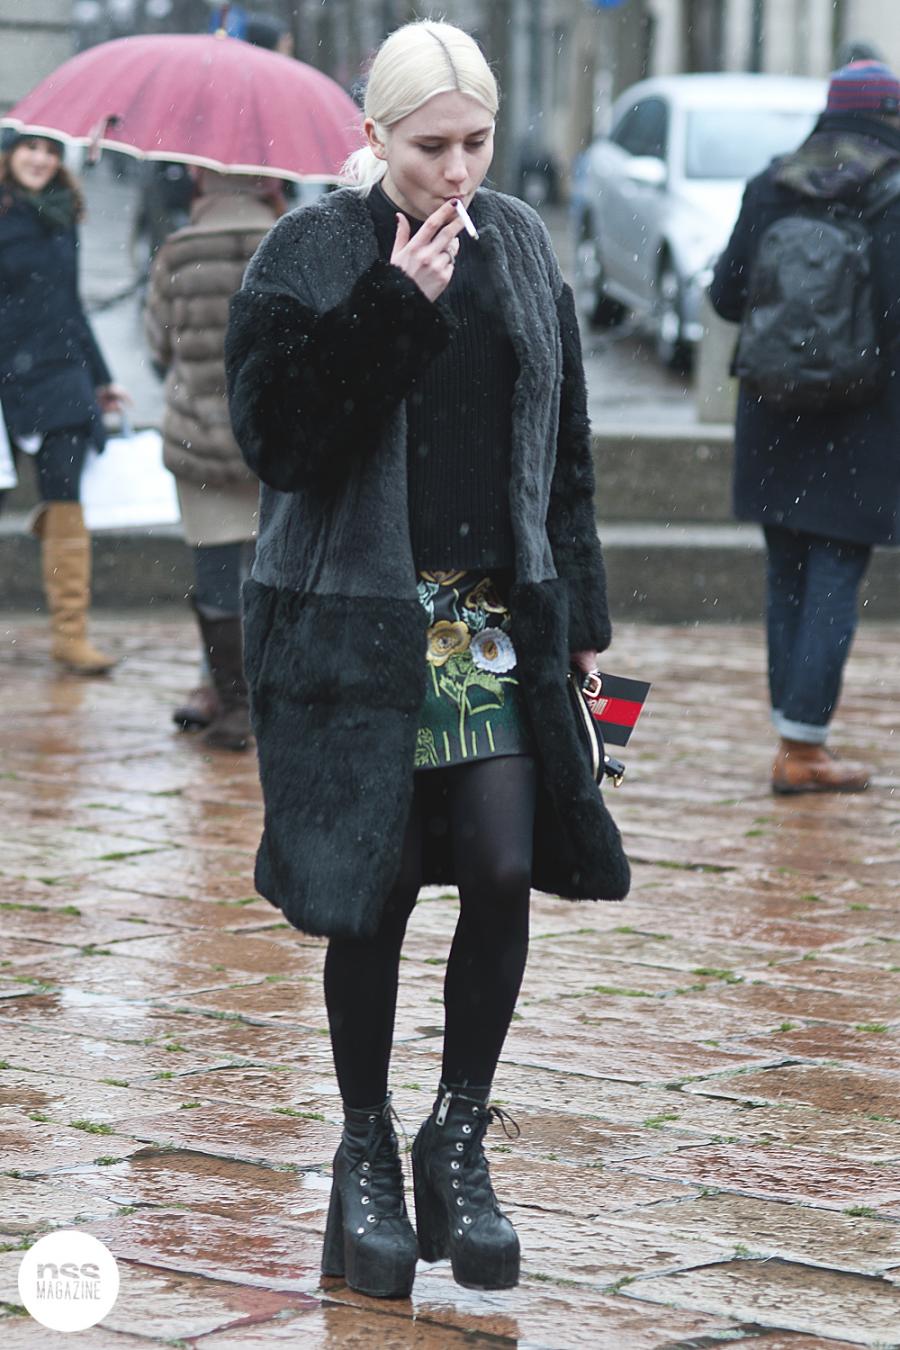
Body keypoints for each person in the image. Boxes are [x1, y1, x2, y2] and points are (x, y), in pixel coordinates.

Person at [225, 19, 629, 1300]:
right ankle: (365, 1151)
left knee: (506, 866)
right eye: (430, 147)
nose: (457, 171)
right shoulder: (311, 249)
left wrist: (582, 611)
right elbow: (279, 442)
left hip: (492, 626)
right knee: (378, 887)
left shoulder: (520, 241)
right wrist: (395, 303)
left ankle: (458, 1134)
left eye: (476, 143)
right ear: (376, 136)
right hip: (355, 624)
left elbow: (561, 442)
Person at [710, 61, 900, 795]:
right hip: (863, 416)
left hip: (774, 410)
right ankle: (802, 746)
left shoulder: (773, 183)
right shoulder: (892, 192)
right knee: (835, 575)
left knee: (787, 572)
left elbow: (727, 297)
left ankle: (794, 731)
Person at [145, 170, 283, 750]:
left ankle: (231, 705)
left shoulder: (179, 250)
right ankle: (275, 696)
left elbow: (158, 343)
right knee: (274, 572)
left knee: (217, 579)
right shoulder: (291, 240)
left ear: (202, 179)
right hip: (274, 440)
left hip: (200, 440)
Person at [0, 130, 128, 674]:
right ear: (9, 155)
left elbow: (70, 304)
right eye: (31, 148)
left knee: (65, 492)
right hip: (5, 370)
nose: (41, 159)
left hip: (60, 370)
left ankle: (69, 634)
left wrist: (101, 377)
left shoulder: (61, 214)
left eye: (51, 152)